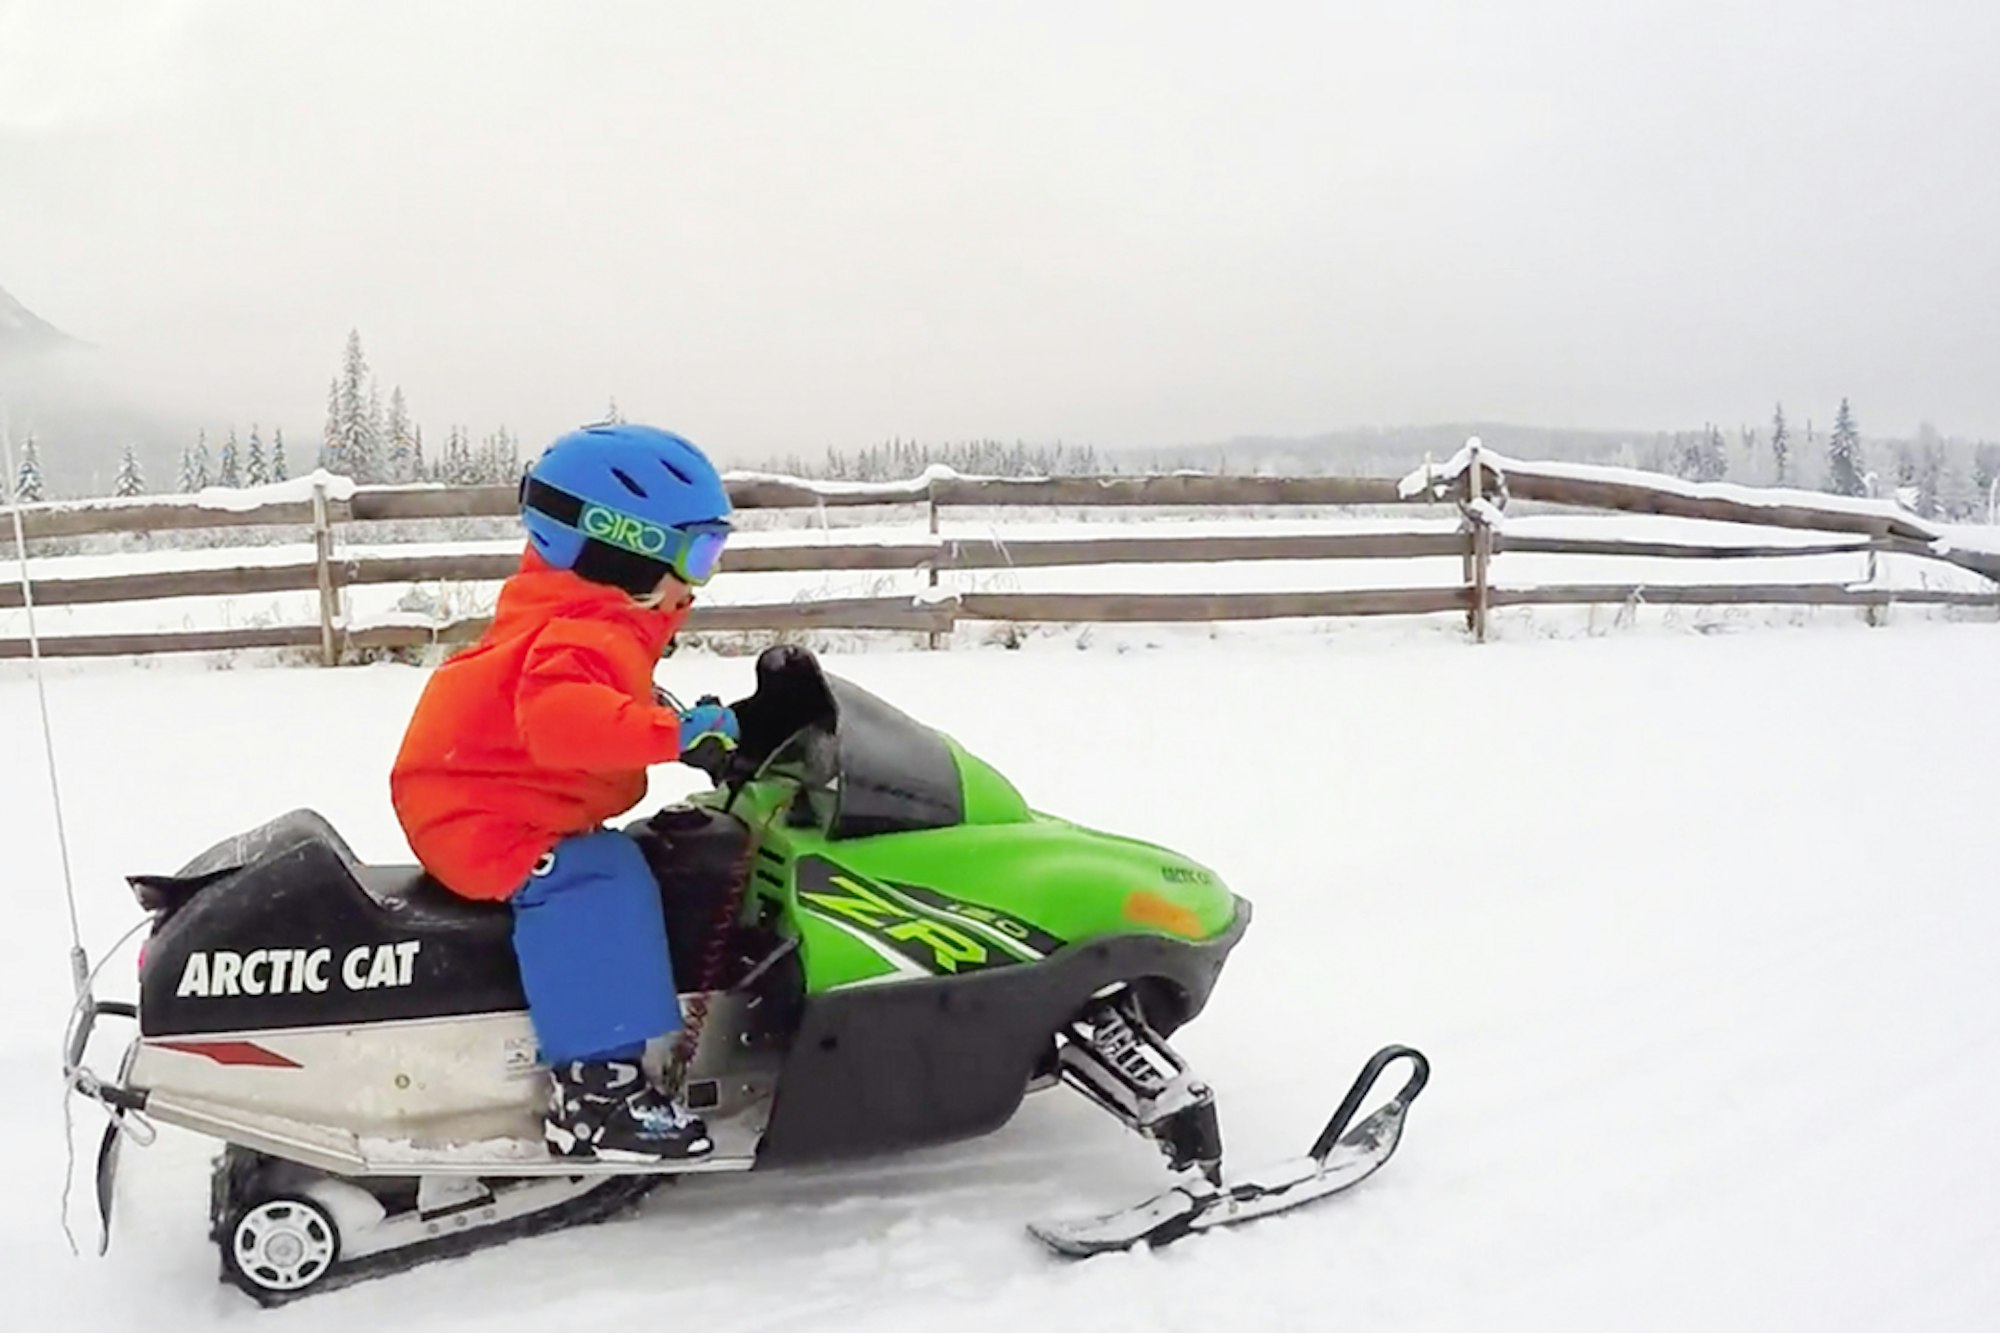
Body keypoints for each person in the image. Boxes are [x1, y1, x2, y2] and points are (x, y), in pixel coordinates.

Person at [390, 422, 739, 1160]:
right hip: (482, 818)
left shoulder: (589, 618)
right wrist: (671, 737)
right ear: (626, 545)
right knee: (596, 879)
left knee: (633, 857)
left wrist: (676, 720)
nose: (700, 579)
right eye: (697, 553)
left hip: (498, 795)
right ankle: (596, 1097)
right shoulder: (580, 633)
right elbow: (564, 724)